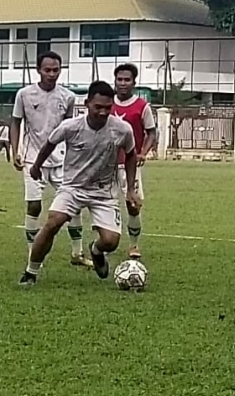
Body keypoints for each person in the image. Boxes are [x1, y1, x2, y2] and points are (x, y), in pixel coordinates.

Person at [20, 81, 139, 286]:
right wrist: (36, 166)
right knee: (52, 222)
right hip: (73, 188)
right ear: (87, 104)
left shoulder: (122, 129)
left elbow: (130, 155)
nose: (103, 112)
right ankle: (31, 272)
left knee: (111, 242)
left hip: (104, 192)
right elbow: (50, 143)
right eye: (98, 107)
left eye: (107, 108)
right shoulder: (71, 126)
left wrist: (130, 190)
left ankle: (96, 250)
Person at [10, 51, 90, 267]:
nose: (52, 74)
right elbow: (16, 122)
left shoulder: (67, 97)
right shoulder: (24, 95)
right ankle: (32, 252)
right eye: (47, 70)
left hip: (62, 160)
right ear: (38, 70)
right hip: (32, 158)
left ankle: (77, 253)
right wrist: (15, 149)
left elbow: (70, 129)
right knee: (34, 206)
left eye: (56, 70)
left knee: (72, 205)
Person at [112, 63, 157, 259]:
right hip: (106, 166)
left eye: (127, 80)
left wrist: (143, 152)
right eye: (119, 79)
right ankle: (105, 242)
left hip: (130, 165)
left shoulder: (142, 106)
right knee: (105, 204)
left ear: (134, 82)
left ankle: (133, 245)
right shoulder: (106, 103)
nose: (123, 83)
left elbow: (151, 133)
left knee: (133, 205)